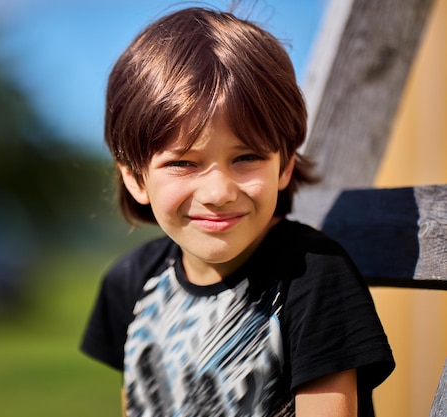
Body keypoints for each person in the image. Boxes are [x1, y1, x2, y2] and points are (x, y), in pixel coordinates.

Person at [81, 6, 394, 417]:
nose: (218, 192)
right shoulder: (132, 282)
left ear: (284, 165)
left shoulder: (313, 278)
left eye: (246, 157)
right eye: (184, 163)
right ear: (136, 179)